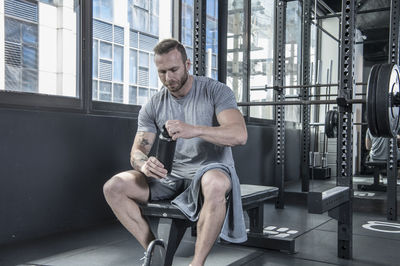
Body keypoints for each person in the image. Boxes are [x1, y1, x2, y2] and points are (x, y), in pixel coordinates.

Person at [103, 38, 248, 266]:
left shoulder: (215, 91)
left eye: (174, 69)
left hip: (209, 171)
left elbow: (239, 135)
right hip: (170, 176)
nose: (168, 78)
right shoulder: (153, 104)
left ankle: (196, 263)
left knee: (216, 183)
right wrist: (143, 164)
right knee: (114, 187)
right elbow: (137, 151)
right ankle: (155, 251)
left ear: (187, 65)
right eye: (162, 72)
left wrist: (194, 130)